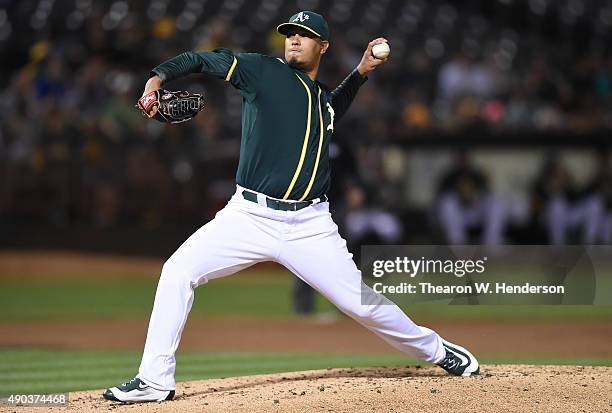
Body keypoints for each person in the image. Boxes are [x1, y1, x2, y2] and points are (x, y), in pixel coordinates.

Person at [103, 11, 479, 403]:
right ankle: (154, 380)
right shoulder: (262, 72)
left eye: (305, 34)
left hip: (310, 226)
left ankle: (439, 351)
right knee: (177, 272)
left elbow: (332, 109)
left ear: (323, 46)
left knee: (362, 306)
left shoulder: (320, 100)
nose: (295, 39)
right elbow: (203, 59)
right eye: (291, 34)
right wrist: (157, 78)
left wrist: (362, 71)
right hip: (248, 216)